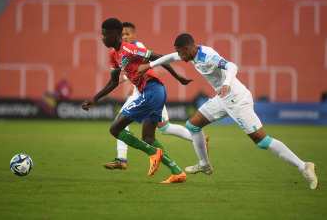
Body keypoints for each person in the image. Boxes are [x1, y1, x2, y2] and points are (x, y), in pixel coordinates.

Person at [138, 33, 318, 189]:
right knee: (192, 125)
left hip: (237, 98)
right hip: (222, 98)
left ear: (186, 48)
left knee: (261, 141)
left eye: (179, 51)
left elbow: (232, 66)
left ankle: (304, 166)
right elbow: (169, 57)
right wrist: (149, 65)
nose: (178, 55)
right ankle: (204, 164)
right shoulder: (192, 54)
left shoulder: (207, 56)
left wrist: (226, 83)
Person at [82, 18, 193, 183]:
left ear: (113, 34)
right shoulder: (114, 55)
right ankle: (177, 172)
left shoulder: (130, 49)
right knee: (148, 137)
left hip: (152, 91)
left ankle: (151, 153)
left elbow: (160, 57)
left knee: (115, 129)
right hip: (152, 93)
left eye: (104, 35)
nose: (102, 38)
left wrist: (178, 77)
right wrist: (95, 99)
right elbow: (113, 82)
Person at [104, 22, 209, 171]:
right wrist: (130, 81)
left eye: (127, 34)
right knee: (164, 127)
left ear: (134, 34)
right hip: (148, 91)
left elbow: (147, 65)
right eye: (123, 34)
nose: (125, 36)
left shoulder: (136, 46)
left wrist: (129, 81)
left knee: (119, 123)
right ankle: (196, 143)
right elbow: (134, 69)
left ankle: (122, 158)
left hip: (147, 92)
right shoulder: (120, 50)